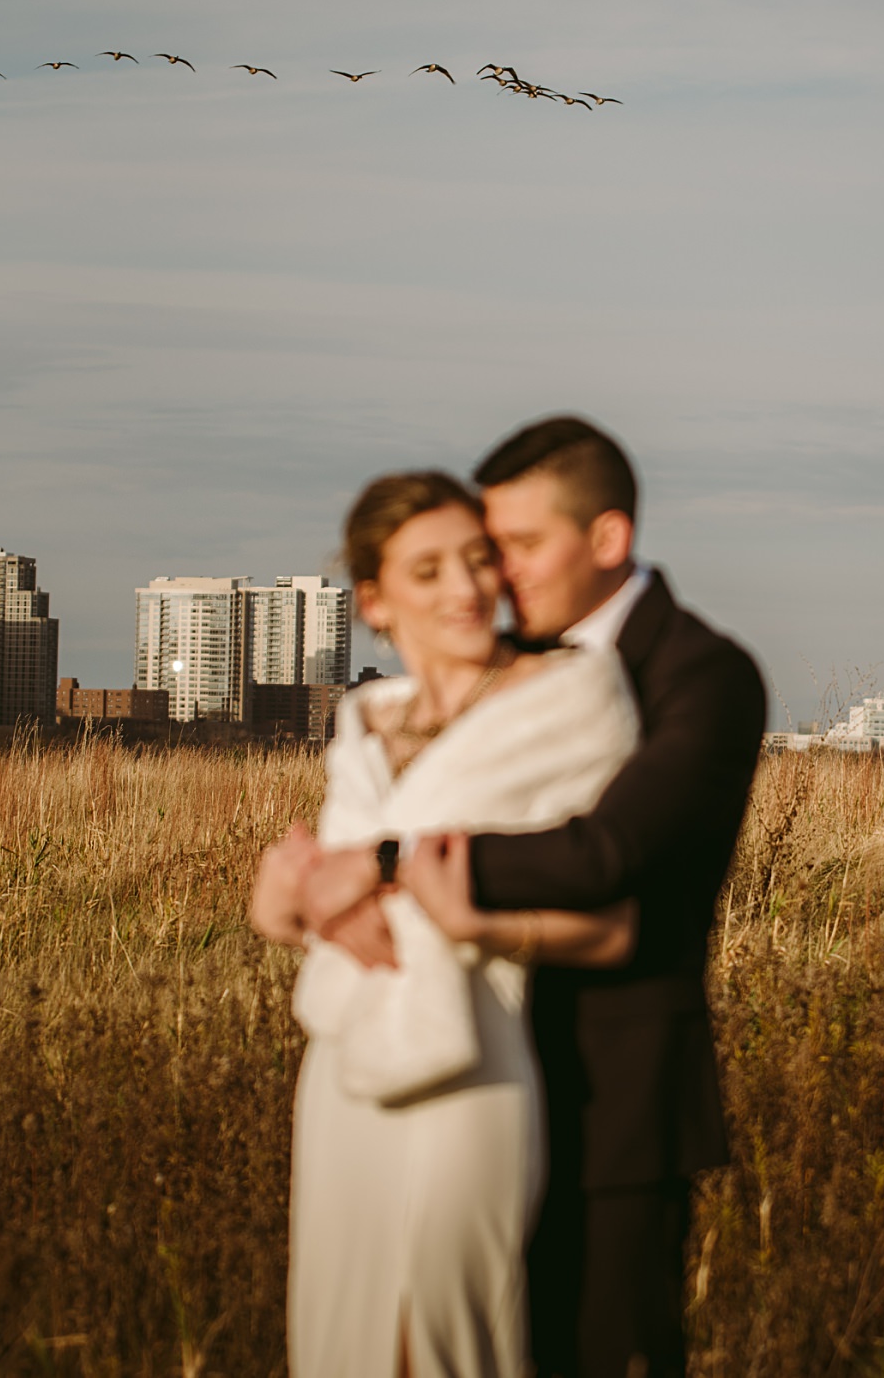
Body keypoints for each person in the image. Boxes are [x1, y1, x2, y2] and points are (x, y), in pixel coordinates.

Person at [303, 419, 766, 1378]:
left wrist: (386, 861)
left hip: (611, 1091)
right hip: (443, 1058)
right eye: (484, 551)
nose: (493, 580)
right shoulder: (494, 673)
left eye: (512, 549)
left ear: (606, 540)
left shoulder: (700, 674)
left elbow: (608, 854)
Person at [250, 467, 644, 1378]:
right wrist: (281, 901)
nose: (465, 589)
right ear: (376, 600)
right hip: (343, 1074)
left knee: (442, 1335)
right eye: (427, 572)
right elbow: (312, 899)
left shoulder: (571, 700)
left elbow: (613, 925)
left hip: (474, 1066)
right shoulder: (362, 719)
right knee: (340, 1337)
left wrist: (476, 924)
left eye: (478, 560)